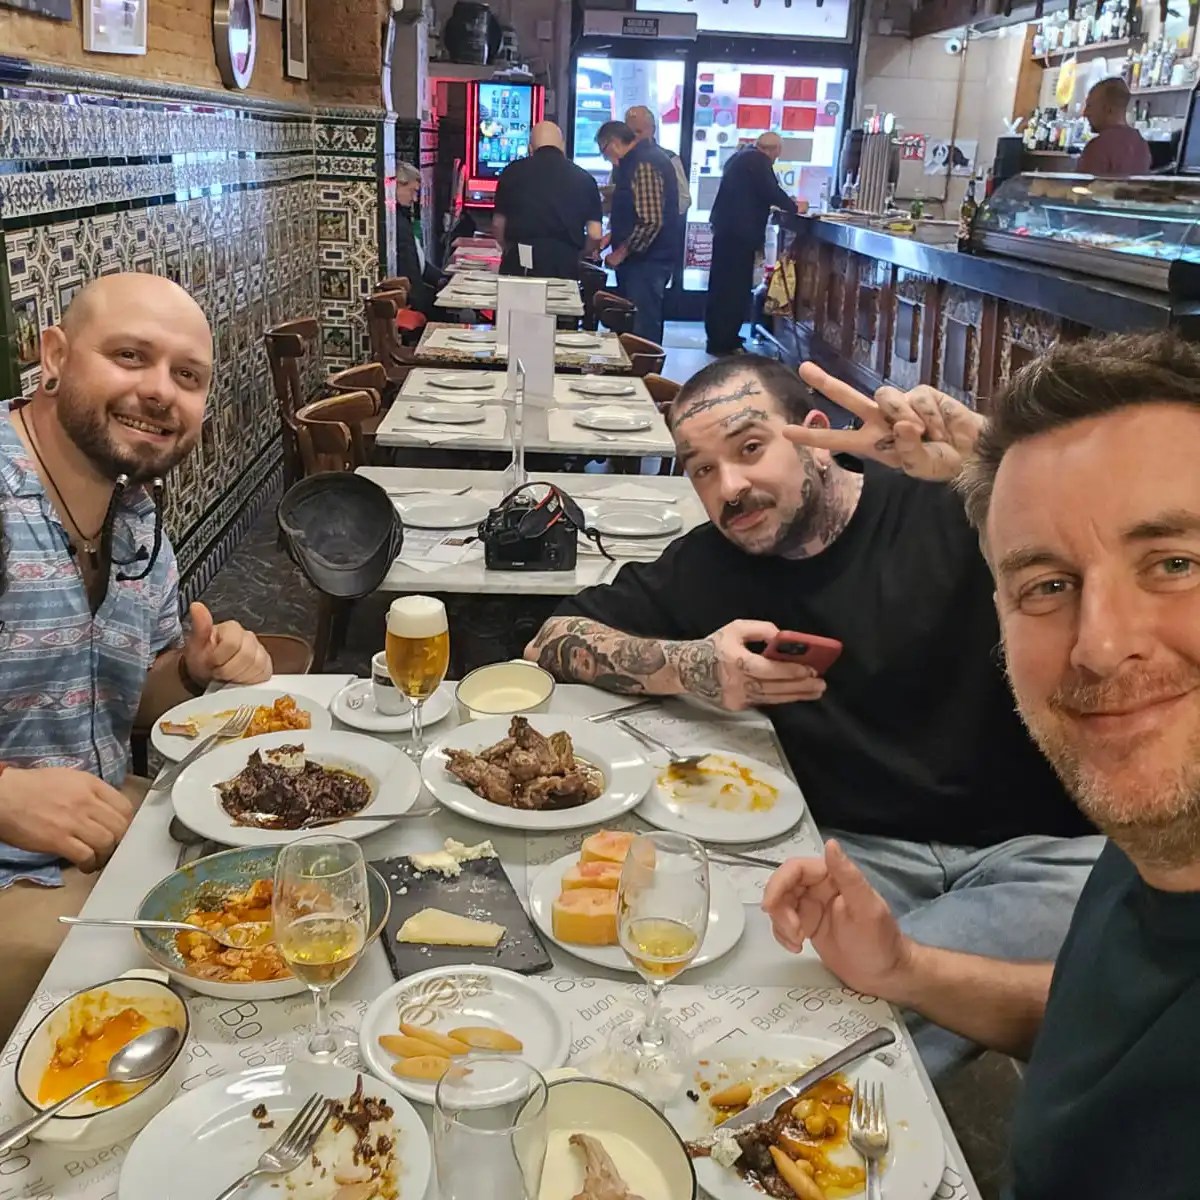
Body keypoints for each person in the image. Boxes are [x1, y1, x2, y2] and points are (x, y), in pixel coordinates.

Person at [525, 353, 1101, 1075]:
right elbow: (554, 637)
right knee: (749, 1003)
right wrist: (696, 666)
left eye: (750, 448)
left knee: (841, 1025)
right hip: (849, 851)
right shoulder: (711, 563)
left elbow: (1117, 549)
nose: (729, 486)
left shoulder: (955, 506)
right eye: (702, 469)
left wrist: (997, 461)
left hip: (1038, 851)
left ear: (816, 438)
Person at [764, 331, 1200, 1196]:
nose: (1102, 645)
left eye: (1176, 564)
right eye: (1046, 584)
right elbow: (1094, 1016)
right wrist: (905, 970)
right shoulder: (1147, 845)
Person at [0, 273, 271, 1038]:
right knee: (203, 993)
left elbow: (139, 700)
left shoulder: (134, 516)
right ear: (53, 356)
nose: (160, 392)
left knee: (302, 892)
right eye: (129, 356)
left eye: (187, 376)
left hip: (108, 838)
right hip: (23, 889)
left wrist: (193, 672)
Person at [705, 132, 797, 356]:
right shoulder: (758, 161)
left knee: (720, 288)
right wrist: (794, 206)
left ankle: (717, 337)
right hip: (740, 235)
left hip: (726, 231)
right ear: (774, 150)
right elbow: (771, 192)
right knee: (735, 289)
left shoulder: (739, 158)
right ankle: (727, 342)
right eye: (777, 154)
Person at [597, 119, 680, 346]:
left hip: (648, 262)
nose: (607, 158)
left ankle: (643, 378)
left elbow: (650, 220)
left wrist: (621, 252)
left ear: (612, 143)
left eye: (604, 152)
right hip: (643, 261)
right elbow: (636, 209)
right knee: (635, 324)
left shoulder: (643, 163)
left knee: (642, 330)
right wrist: (612, 237)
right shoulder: (639, 160)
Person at [493, 121, 603, 280]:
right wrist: (580, 254)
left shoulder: (511, 172)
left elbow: (498, 224)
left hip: (520, 258)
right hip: (565, 262)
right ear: (563, 146)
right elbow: (595, 234)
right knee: (560, 304)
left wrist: (508, 248)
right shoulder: (584, 179)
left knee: (516, 304)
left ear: (530, 148)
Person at [624, 106, 692, 218]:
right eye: (629, 132)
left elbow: (684, 200)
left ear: (653, 130)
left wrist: (653, 210)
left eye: (638, 131)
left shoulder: (669, 158)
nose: (634, 137)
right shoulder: (622, 159)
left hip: (661, 230)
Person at [395, 161, 444, 317]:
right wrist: (421, 309)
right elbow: (410, 271)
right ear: (398, 185)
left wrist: (443, 278)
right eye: (412, 191)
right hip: (411, 303)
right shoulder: (397, 224)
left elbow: (419, 263)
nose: (415, 199)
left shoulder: (402, 219)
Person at [1078, 77, 1151, 176]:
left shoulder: (1099, 146)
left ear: (1108, 109)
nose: (1085, 113)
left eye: (1090, 106)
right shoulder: (1141, 144)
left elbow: (1083, 188)